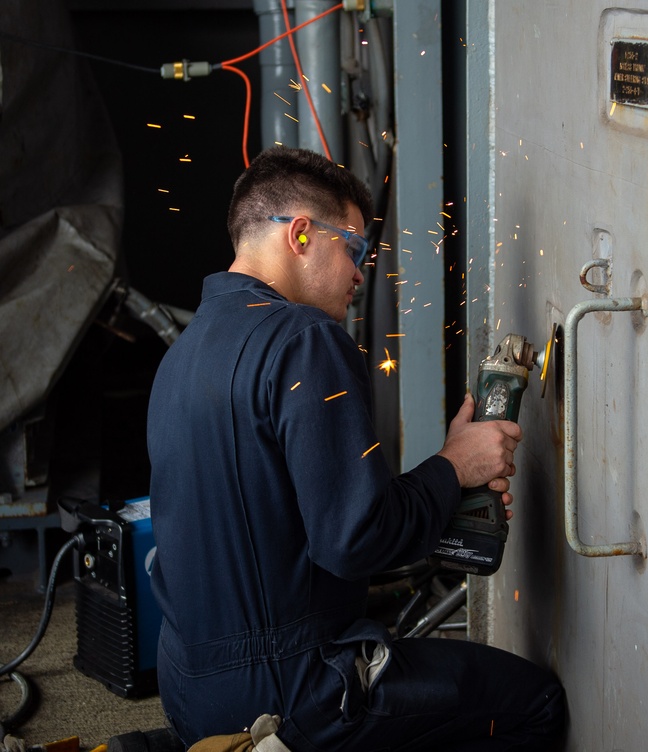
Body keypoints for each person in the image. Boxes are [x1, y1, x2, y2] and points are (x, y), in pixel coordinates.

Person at [146, 146, 567, 751]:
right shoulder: (307, 342)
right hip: (294, 696)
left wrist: (445, 473)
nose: (360, 273)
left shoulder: (181, 356)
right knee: (534, 704)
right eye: (354, 249)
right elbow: (355, 540)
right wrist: (456, 466)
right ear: (300, 235)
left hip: (190, 694)